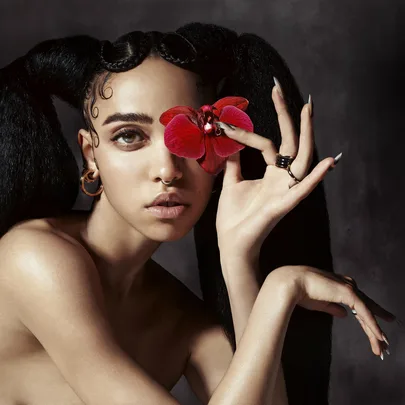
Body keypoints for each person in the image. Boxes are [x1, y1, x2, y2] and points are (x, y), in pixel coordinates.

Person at [0, 22, 395, 405]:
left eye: (194, 136)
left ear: (221, 156)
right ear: (91, 154)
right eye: (129, 136)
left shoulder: (184, 321)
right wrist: (280, 291)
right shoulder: (33, 258)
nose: (168, 170)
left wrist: (240, 259)